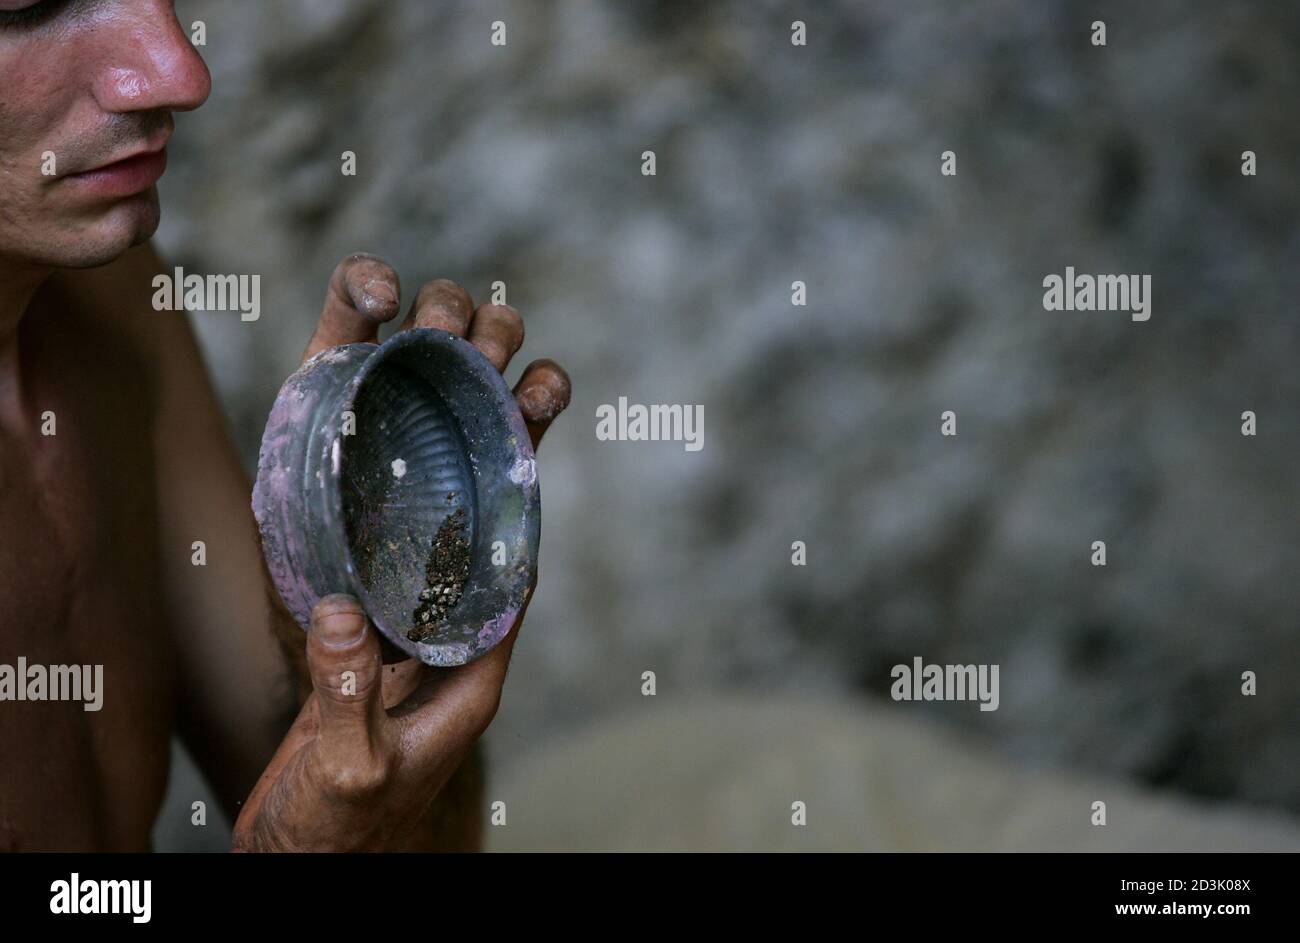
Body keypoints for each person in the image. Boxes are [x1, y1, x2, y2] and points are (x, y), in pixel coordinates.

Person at [0, 0, 570, 851]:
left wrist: (362, 574)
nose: (180, 74)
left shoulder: (109, 298)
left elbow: (363, 800)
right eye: (31, 7)